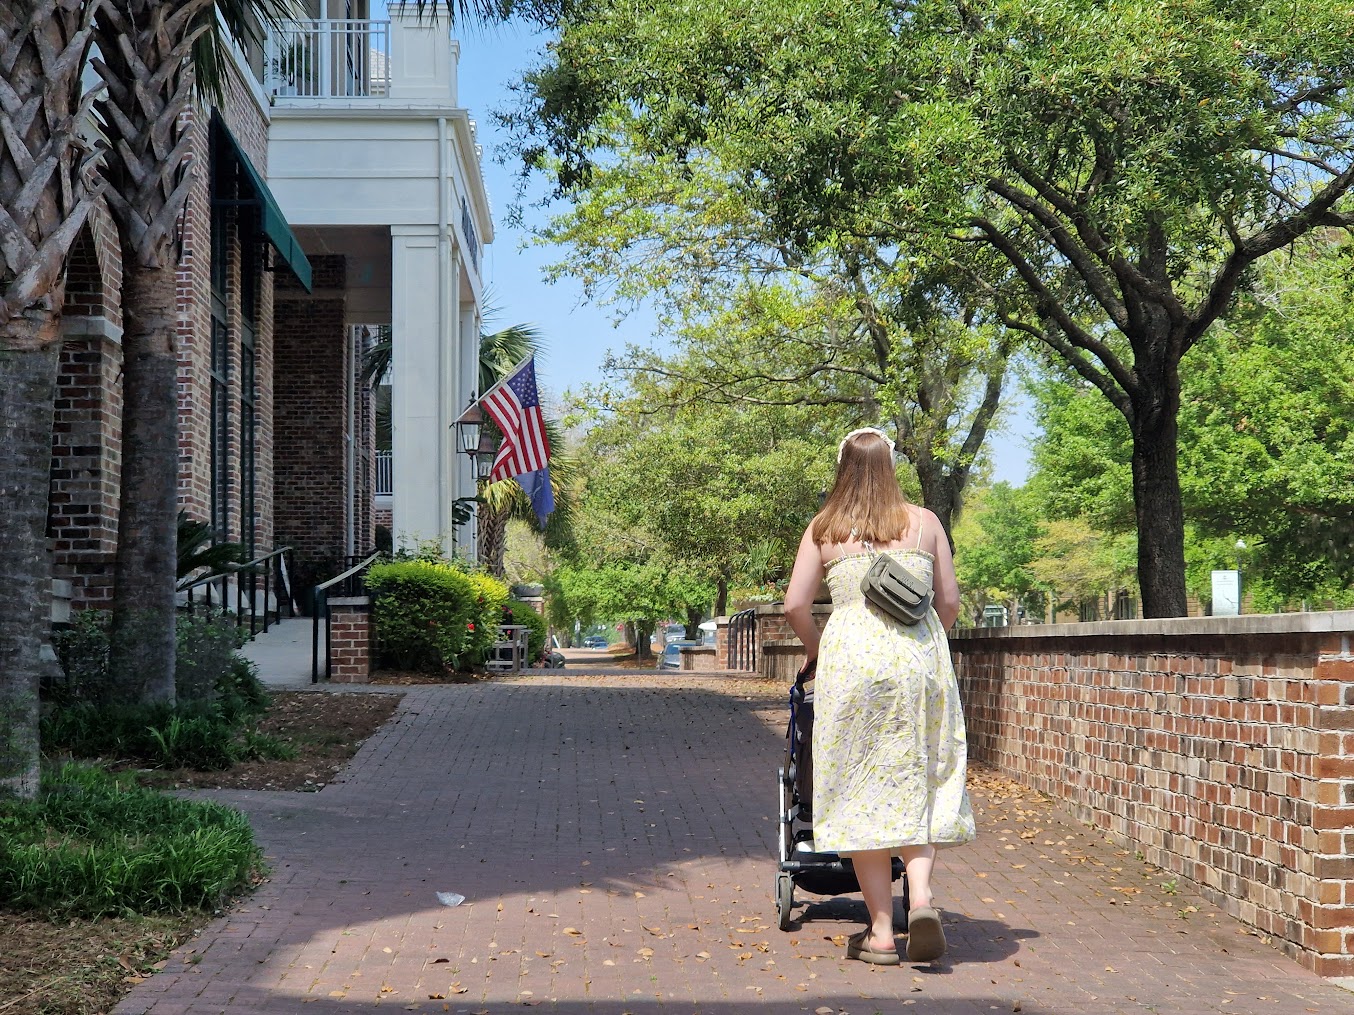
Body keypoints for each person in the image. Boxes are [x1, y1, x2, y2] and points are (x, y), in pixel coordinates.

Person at [783, 427, 975, 964]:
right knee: (921, 777)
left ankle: (883, 935)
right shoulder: (924, 522)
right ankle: (923, 898)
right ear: (892, 467)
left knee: (858, 787)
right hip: (919, 665)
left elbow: (795, 605)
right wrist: (921, 640)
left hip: (851, 666)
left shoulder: (824, 528)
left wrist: (820, 651)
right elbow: (950, 601)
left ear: (841, 468)